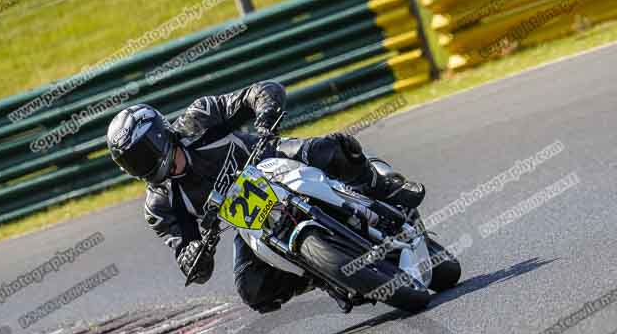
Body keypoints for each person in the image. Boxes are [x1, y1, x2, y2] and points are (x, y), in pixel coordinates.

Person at [106, 81, 425, 313]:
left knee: (327, 148)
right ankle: (320, 270)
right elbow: (187, 254)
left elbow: (258, 92)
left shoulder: (199, 119)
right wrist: (194, 256)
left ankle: (382, 187)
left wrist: (265, 115)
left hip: (272, 161)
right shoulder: (160, 205)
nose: (144, 166)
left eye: (143, 154)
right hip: (251, 220)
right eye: (133, 163)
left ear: (160, 135)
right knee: (253, 290)